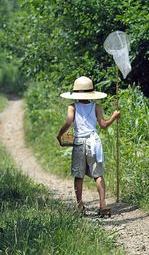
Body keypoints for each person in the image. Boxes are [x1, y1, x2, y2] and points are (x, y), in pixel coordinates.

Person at [57, 76, 120, 215]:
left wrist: (59, 134)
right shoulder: (96, 106)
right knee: (98, 174)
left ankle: (80, 206)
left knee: (79, 176)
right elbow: (103, 125)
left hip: (79, 142)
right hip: (94, 142)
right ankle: (103, 205)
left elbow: (68, 122)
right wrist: (114, 117)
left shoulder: (72, 107)